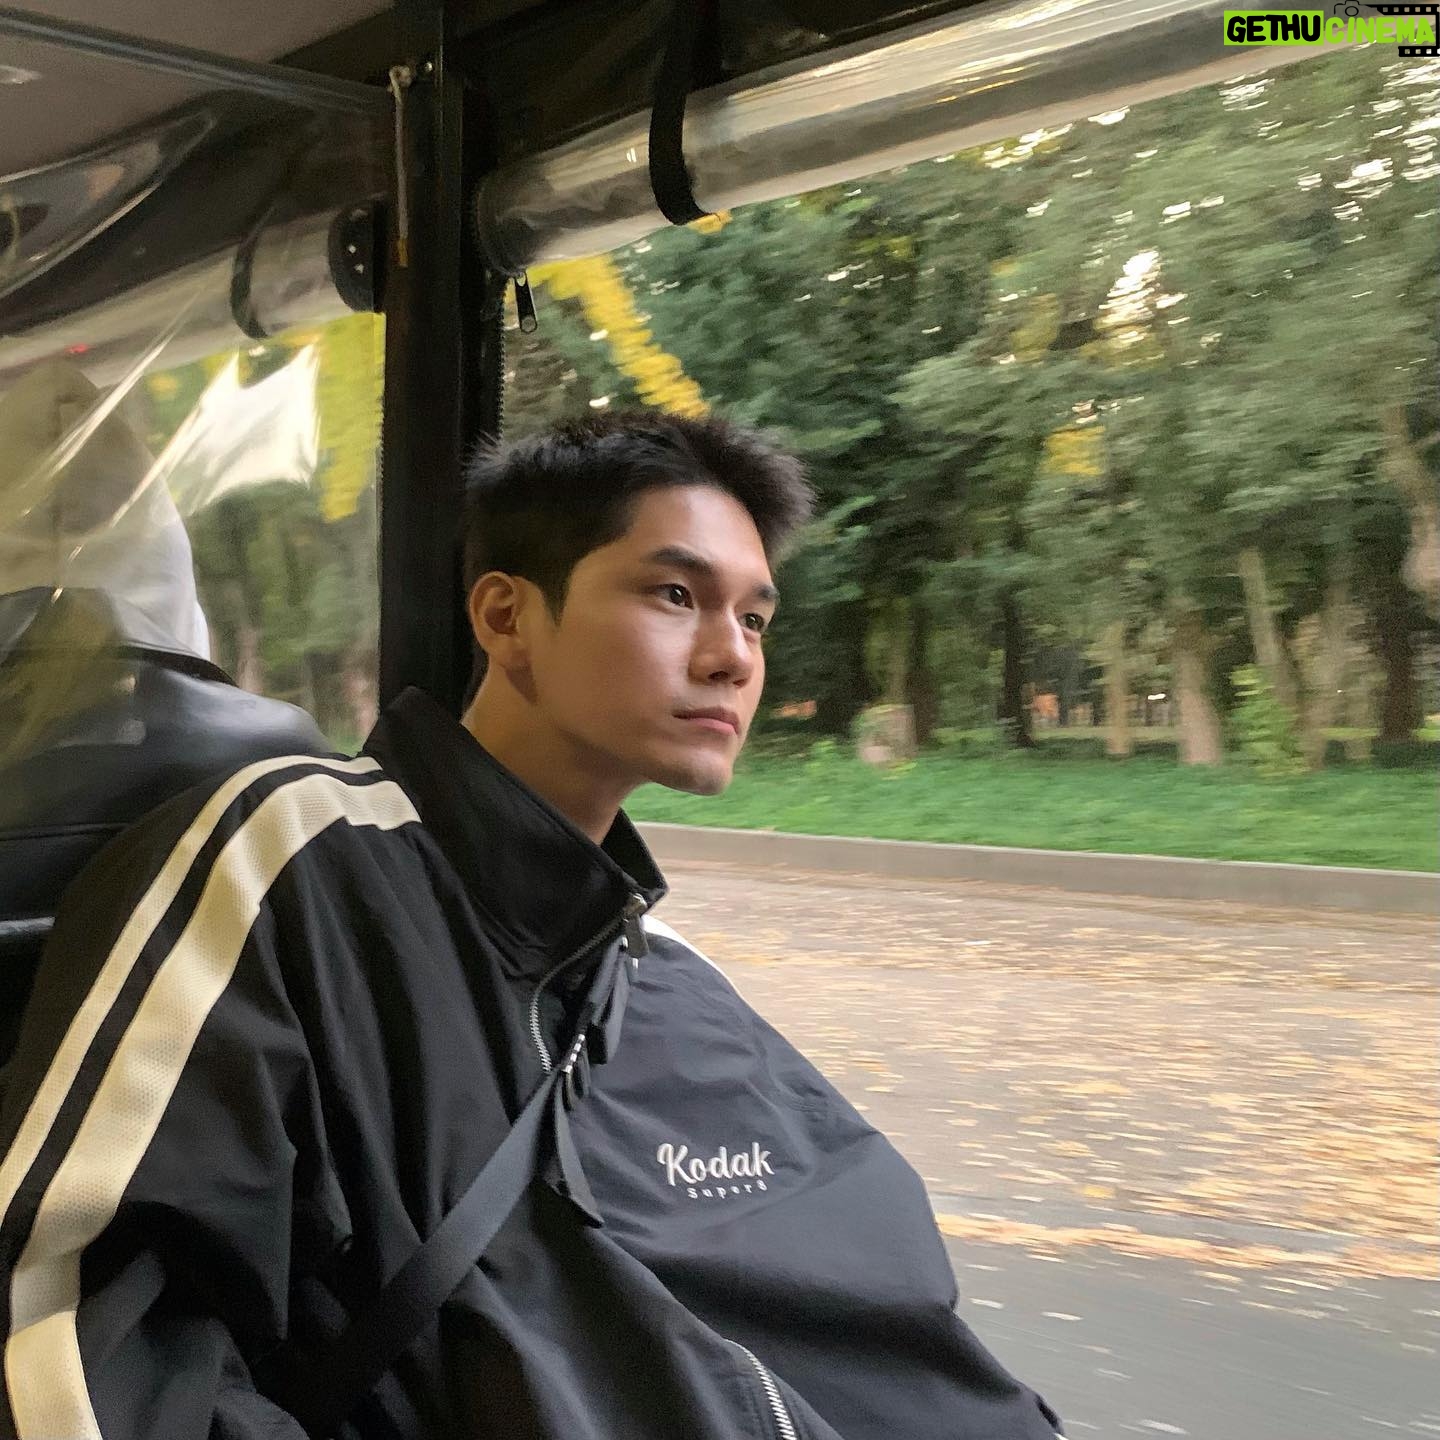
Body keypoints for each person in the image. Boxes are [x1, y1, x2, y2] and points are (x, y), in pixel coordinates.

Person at [0, 410, 1061, 1439]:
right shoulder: (284, 868)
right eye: (676, 594)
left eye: (754, 618)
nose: (733, 656)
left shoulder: (662, 975)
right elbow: (75, 1327)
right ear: (506, 618)